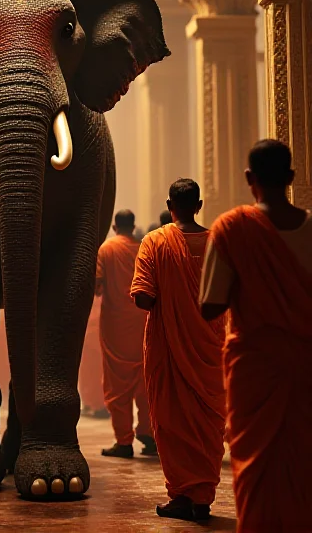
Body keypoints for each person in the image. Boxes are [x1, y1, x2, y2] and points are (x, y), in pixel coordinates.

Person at [201, 140, 312, 533]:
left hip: (255, 369)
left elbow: (210, 306)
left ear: (250, 179)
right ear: (291, 178)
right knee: (303, 463)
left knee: (255, 467)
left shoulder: (233, 228)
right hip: (304, 368)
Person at [131, 179, 226, 522]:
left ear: (170, 204)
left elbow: (144, 298)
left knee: (172, 421)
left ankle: (183, 496)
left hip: (168, 348)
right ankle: (202, 497)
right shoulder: (219, 242)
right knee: (208, 422)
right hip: (212, 350)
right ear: (199, 205)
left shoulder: (155, 242)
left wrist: (172, 299)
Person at [97, 210, 155, 458]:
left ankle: (123, 441)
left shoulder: (106, 250)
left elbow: (97, 287)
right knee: (146, 381)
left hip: (115, 329)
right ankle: (149, 433)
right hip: (143, 323)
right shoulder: (144, 247)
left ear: (113, 226)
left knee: (117, 385)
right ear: (133, 226)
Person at [79, 293, 108, 419]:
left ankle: (95, 404)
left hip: (89, 323)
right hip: (102, 322)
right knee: (99, 367)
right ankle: (100, 403)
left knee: (89, 367)